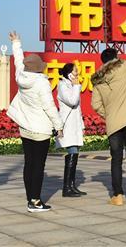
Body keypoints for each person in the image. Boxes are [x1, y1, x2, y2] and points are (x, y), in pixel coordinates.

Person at [7, 31, 64, 213]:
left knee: (29, 163)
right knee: (38, 166)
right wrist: (59, 126)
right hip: (40, 130)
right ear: (40, 68)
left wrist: (16, 43)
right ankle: (35, 201)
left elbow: (18, 61)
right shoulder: (41, 83)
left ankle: (30, 197)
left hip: (25, 127)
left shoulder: (21, 76)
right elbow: (49, 107)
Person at [91, 24, 126, 206]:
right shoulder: (123, 68)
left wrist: (109, 114)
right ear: (116, 58)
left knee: (116, 159)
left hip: (113, 124)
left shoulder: (98, 81)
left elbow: (95, 104)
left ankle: (118, 196)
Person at [56, 62, 86, 197]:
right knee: (72, 152)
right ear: (69, 74)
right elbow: (73, 101)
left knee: (75, 153)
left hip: (74, 125)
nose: (77, 75)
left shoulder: (71, 86)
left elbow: (77, 109)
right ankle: (66, 188)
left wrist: (82, 126)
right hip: (67, 126)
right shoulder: (63, 86)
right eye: (75, 72)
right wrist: (76, 86)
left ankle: (71, 185)